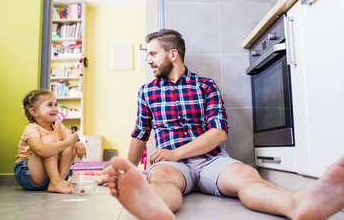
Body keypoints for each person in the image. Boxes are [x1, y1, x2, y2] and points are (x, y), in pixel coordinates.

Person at [106, 29, 344, 220]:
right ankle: (154, 208)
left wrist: (177, 152)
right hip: (170, 164)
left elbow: (219, 134)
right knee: (162, 181)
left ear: (172, 54)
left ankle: (296, 204)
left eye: (152, 54)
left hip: (211, 160)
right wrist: (125, 170)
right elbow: (140, 134)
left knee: (246, 175)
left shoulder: (206, 86)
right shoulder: (147, 92)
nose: (148, 61)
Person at [14, 89, 86, 193]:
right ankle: (56, 181)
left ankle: (58, 181)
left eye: (56, 104)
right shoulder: (31, 128)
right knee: (49, 145)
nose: (55, 108)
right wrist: (70, 141)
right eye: (50, 105)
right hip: (31, 176)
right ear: (34, 111)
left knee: (70, 144)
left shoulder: (59, 126)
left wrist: (78, 143)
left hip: (52, 175)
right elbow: (40, 150)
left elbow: (70, 144)